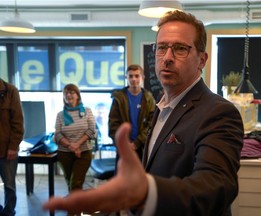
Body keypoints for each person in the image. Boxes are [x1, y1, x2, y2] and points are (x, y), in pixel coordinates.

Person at [43, 11, 244, 216]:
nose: (167, 58)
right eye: (162, 48)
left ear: (202, 60)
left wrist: (146, 193)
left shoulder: (219, 112)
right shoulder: (162, 105)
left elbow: (216, 187)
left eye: (180, 49)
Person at [54, 84, 96, 215]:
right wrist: (71, 146)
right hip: (65, 153)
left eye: (72, 92)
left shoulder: (87, 111)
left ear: (78, 95)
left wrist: (77, 144)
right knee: (70, 182)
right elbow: (57, 134)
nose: (69, 95)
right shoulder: (60, 115)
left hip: (83, 152)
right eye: (66, 93)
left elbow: (91, 130)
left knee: (76, 182)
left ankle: (72, 212)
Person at [109, 64, 155, 159]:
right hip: (123, 148)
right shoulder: (118, 99)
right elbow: (113, 125)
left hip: (142, 147)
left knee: (141, 174)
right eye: (130, 76)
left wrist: (136, 143)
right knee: (122, 173)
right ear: (127, 78)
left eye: (137, 76)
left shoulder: (149, 99)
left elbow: (152, 124)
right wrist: (122, 144)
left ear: (142, 77)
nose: (134, 79)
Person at [0, 78, 24, 216]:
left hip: (6, 149)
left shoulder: (10, 91)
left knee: (9, 186)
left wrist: (13, 147)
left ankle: (9, 212)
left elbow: (18, 123)